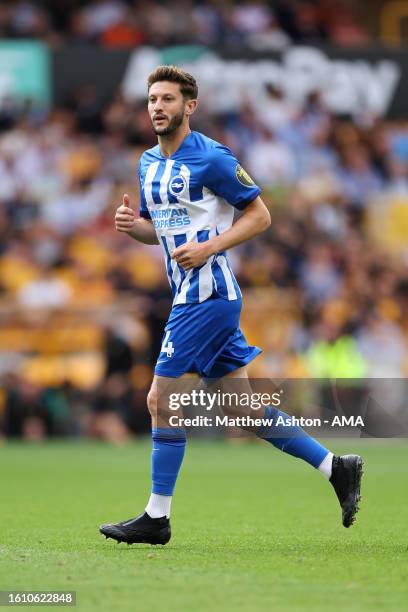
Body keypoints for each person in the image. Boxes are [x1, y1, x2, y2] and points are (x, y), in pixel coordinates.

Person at [99, 66, 363, 546]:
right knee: (242, 411)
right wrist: (129, 225)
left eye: (167, 99)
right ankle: (336, 467)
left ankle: (156, 517)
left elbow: (260, 216)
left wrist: (211, 247)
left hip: (208, 295)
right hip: (190, 292)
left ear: (189, 106)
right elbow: (155, 229)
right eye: (152, 99)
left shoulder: (213, 157)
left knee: (161, 400)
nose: (157, 106)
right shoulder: (147, 163)